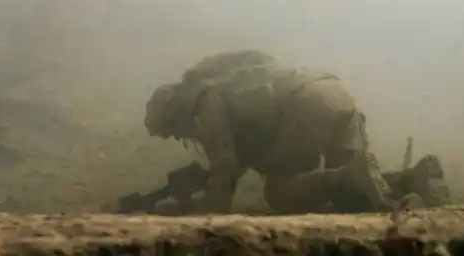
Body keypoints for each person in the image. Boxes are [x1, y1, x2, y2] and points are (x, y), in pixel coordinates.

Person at [144, 50, 394, 214]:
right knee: (355, 196)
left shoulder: (204, 103)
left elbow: (224, 170)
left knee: (281, 194)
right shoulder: (224, 85)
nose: (179, 136)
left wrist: (199, 209)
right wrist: (201, 186)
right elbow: (238, 158)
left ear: (174, 113)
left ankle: (355, 174)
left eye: (172, 130)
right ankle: (407, 182)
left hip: (305, 104)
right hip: (333, 92)